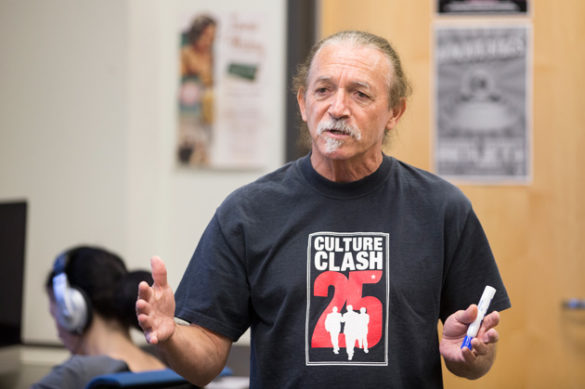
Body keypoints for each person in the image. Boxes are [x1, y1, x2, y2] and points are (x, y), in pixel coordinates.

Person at [137, 30, 511, 388]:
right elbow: (205, 362)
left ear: (395, 112)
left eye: (360, 94)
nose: (337, 108)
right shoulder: (248, 212)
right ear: (303, 103)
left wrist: (468, 355)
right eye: (323, 90)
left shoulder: (442, 209)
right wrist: (171, 336)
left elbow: (474, 355)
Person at [33, 246, 165, 389]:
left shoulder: (76, 374)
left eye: (56, 316)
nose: (58, 333)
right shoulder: (163, 368)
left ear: (73, 312)